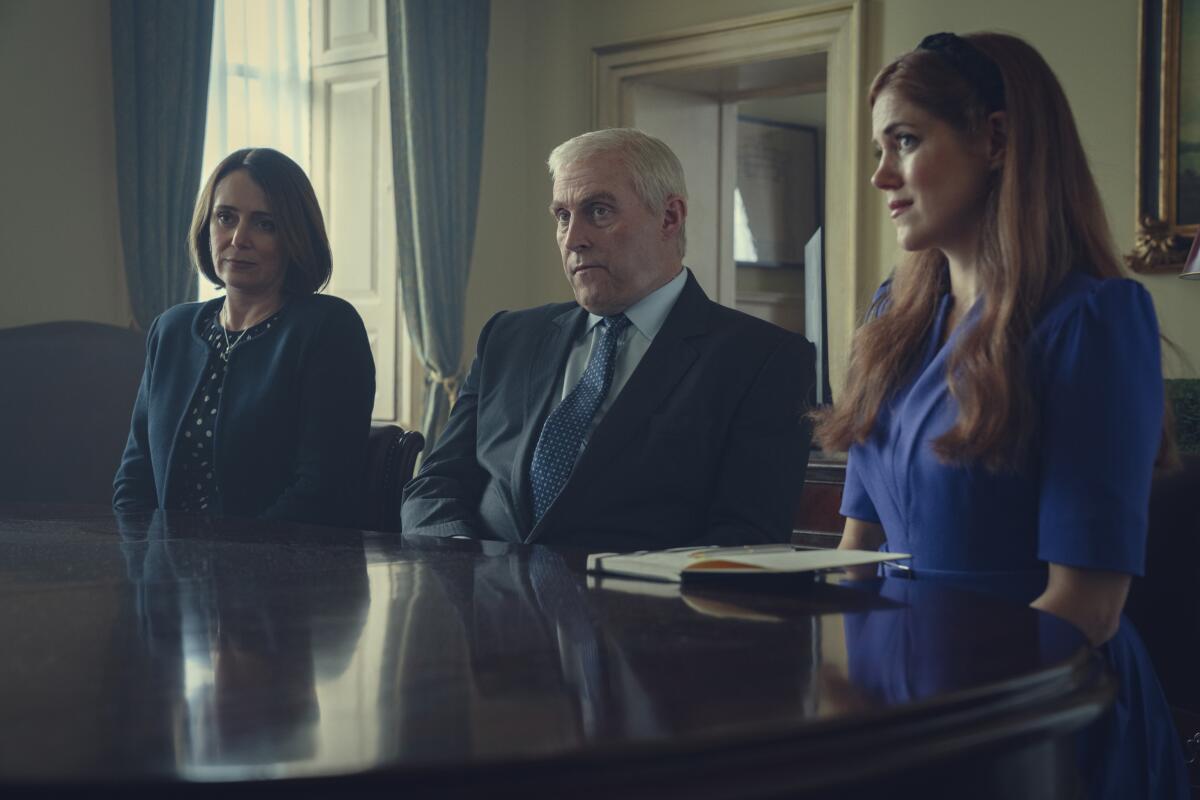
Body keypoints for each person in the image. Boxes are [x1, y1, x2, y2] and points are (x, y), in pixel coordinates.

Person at [816, 32, 1188, 797]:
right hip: (895, 706)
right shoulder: (891, 322)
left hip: (1035, 719)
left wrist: (938, 730)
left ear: (996, 139)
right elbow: (855, 555)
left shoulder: (1094, 319)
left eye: (906, 141)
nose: (881, 174)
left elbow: (1086, 608)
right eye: (879, 147)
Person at [402, 128, 815, 549]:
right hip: (483, 602)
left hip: (640, 609)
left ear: (669, 218)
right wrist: (457, 559)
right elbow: (436, 485)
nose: (573, 238)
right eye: (562, 216)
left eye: (598, 211)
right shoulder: (507, 338)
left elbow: (746, 540)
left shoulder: (764, 359)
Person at [113, 148, 375, 528]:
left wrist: (232, 568)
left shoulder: (329, 329)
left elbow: (322, 491)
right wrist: (147, 565)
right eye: (226, 217)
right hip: (165, 576)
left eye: (264, 224)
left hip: (284, 575)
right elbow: (134, 479)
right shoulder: (170, 330)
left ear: (294, 236)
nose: (239, 238)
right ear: (207, 224)